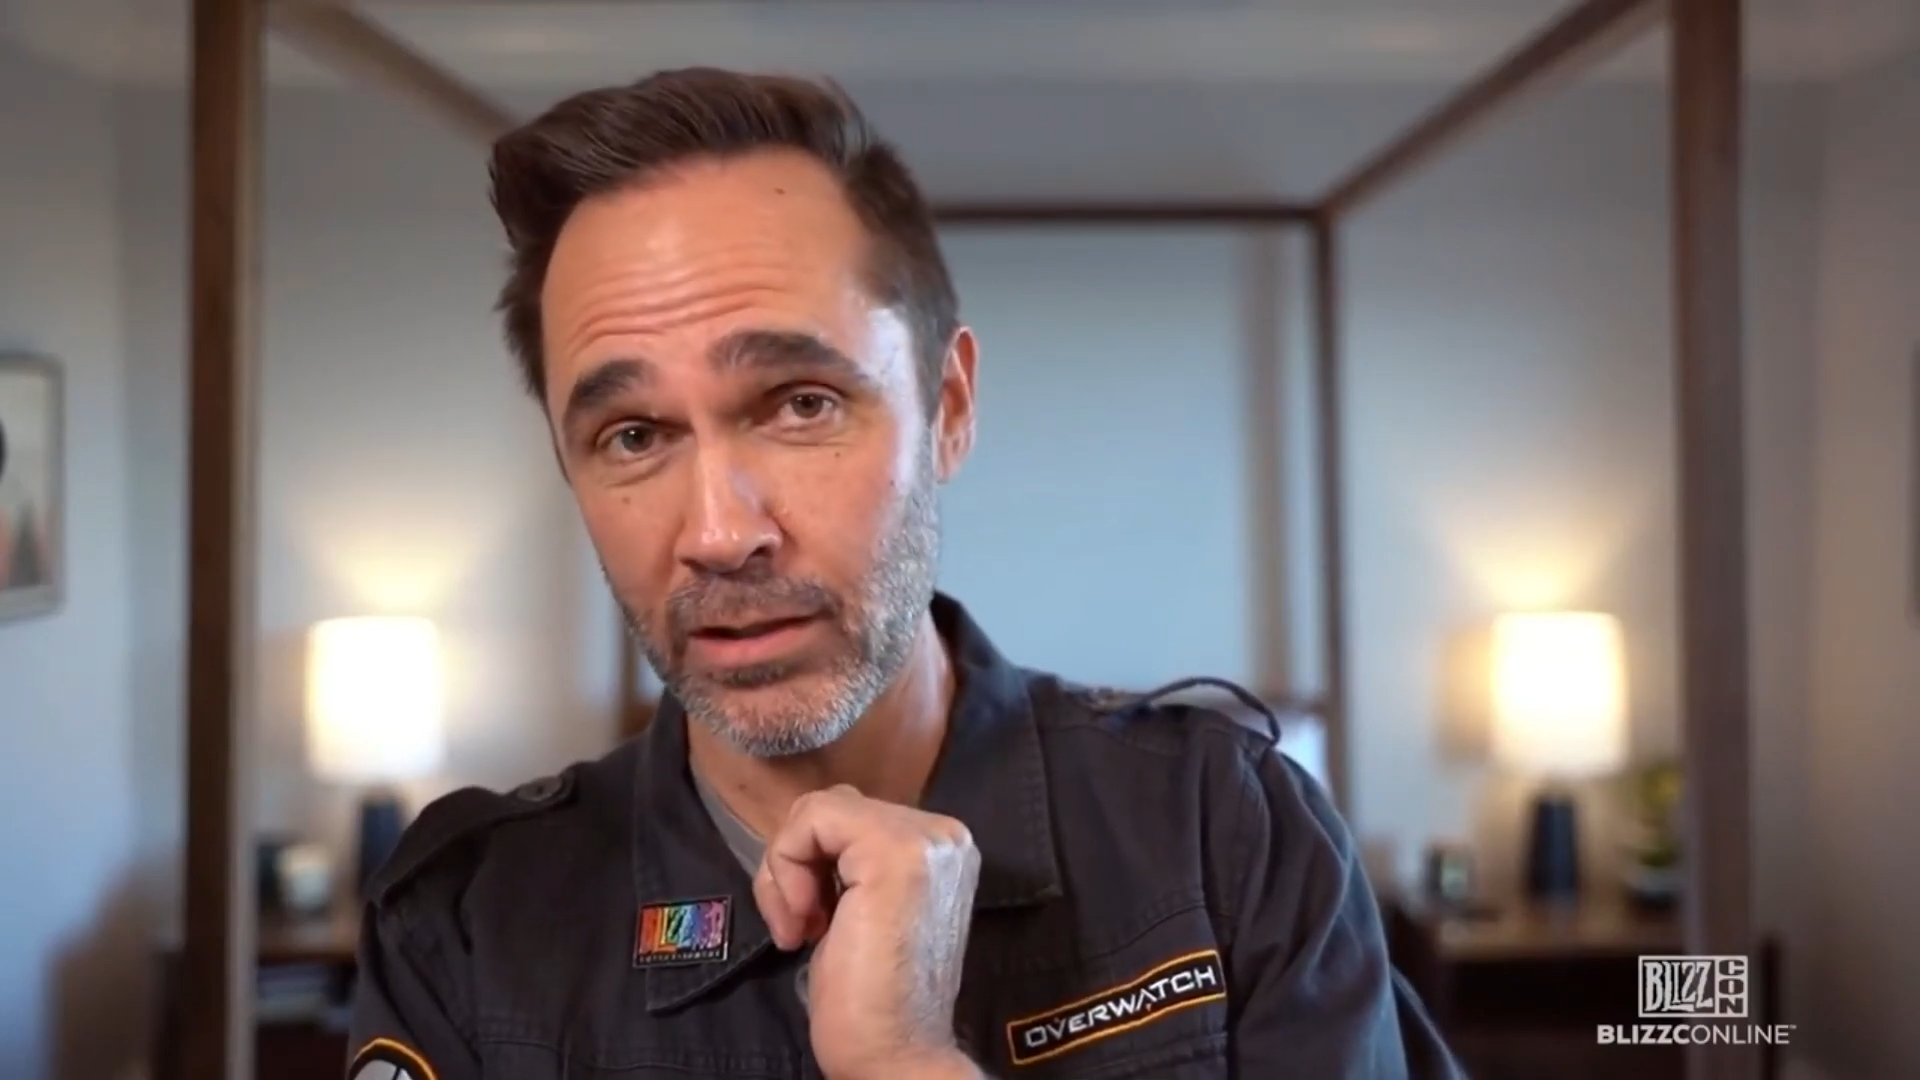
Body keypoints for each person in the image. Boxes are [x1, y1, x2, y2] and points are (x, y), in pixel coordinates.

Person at [345, 68, 1463, 1080]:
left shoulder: (1226, 838)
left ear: (950, 408)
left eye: (800, 405)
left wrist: (903, 1065)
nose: (720, 534)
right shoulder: (468, 927)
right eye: (632, 435)